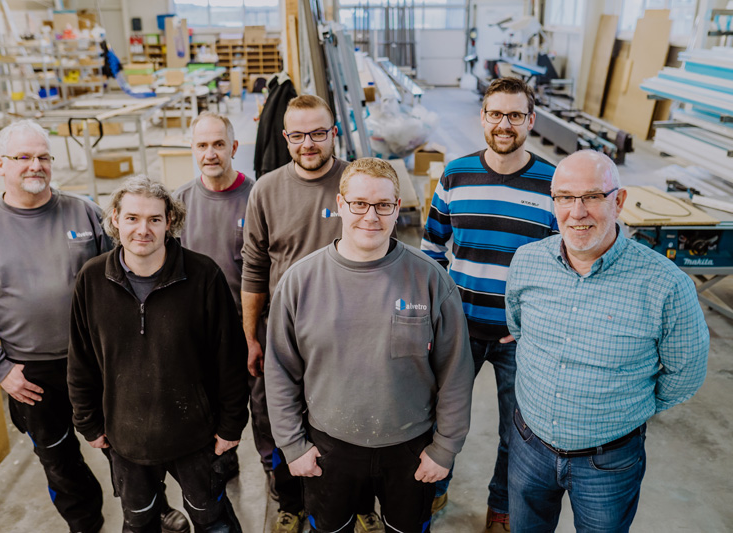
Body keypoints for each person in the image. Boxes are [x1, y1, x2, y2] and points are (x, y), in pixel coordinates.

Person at [265, 158, 475, 533]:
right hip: (329, 448)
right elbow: (280, 370)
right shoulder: (300, 282)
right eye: (359, 204)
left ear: (397, 208)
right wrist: (293, 445)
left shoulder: (431, 280)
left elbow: (455, 371)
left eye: (383, 205)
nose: (371, 216)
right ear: (340, 204)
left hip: (410, 449)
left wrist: (445, 448)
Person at [505, 150, 709, 532]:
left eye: (593, 196)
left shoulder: (666, 285)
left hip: (608, 462)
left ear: (619, 201)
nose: (577, 212)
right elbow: (518, 327)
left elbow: (686, 373)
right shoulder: (527, 261)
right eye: (565, 197)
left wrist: (625, 407)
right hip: (529, 443)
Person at [0, 120, 110, 533]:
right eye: (23, 157)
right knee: (59, 458)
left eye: (43, 157)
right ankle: (85, 524)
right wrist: (1, 370)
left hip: (96, 360)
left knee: (125, 442)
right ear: (0, 164)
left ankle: (151, 509)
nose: (35, 165)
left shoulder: (86, 213)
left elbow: (120, 283)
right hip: (31, 374)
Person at [67, 176, 249, 533]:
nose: (143, 230)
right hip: (125, 438)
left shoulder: (203, 275)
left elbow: (229, 358)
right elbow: (81, 360)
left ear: (170, 221)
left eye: (154, 219)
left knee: (212, 521)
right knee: (139, 522)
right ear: (115, 219)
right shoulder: (92, 279)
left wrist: (231, 424)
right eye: (132, 218)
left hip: (197, 436)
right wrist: (88, 422)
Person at [421, 76, 558, 529]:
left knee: (516, 432)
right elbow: (432, 250)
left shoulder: (553, 183)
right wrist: (439, 316)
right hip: (459, 329)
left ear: (531, 121)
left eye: (515, 115)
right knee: (440, 418)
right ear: (482, 117)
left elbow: (562, 267)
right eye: (496, 114)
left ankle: (501, 507)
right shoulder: (456, 174)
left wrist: (532, 323)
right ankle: (434, 489)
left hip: (520, 338)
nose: (504, 124)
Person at [242, 94, 371, 533]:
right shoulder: (266, 190)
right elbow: (254, 269)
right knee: (278, 419)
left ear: (333, 133)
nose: (308, 144)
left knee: (352, 421)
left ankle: (361, 503)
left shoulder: (356, 184)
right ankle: (290, 502)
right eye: (298, 135)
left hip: (350, 333)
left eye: (318, 133)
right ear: (285, 138)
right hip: (286, 335)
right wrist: (252, 337)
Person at [174, 111, 275, 495]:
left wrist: (258, 331)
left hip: (256, 324)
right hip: (204, 332)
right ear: (192, 149)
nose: (210, 153)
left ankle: (273, 469)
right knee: (213, 404)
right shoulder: (179, 204)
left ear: (234, 147)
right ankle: (223, 460)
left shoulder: (258, 197)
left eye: (218, 144)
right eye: (202, 145)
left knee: (264, 406)